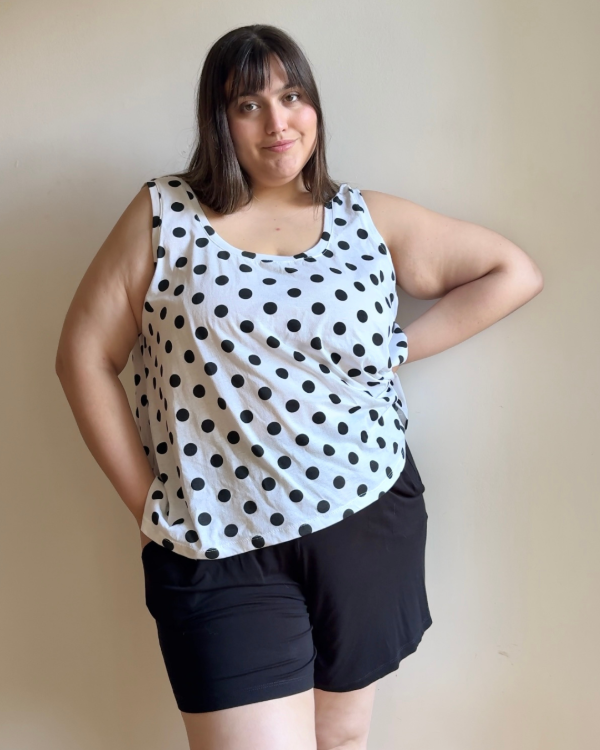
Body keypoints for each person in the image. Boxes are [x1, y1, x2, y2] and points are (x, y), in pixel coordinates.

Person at [55, 23, 543, 750]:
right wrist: (147, 503)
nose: (277, 122)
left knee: (340, 741)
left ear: (314, 106)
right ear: (219, 121)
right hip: (218, 546)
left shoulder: (363, 219)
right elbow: (83, 356)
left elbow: (514, 273)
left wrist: (396, 349)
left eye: (292, 96)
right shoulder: (165, 214)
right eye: (248, 104)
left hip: (363, 515)